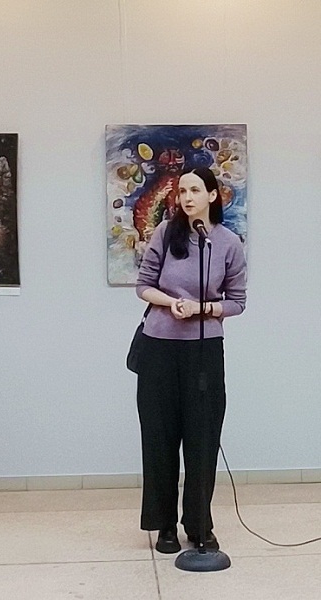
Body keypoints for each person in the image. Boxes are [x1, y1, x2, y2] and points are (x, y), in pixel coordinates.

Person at [135, 167, 246, 554]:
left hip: (204, 350)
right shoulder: (166, 233)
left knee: (202, 439)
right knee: (159, 438)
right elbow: (143, 285)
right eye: (182, 191)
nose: (186, 197)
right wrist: (172, 303)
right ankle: (164, 525)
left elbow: (237, 301)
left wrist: (203, 308)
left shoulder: (228, 242)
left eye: (195, 190)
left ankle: (199, 525)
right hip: (159, 348)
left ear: (212, 195)